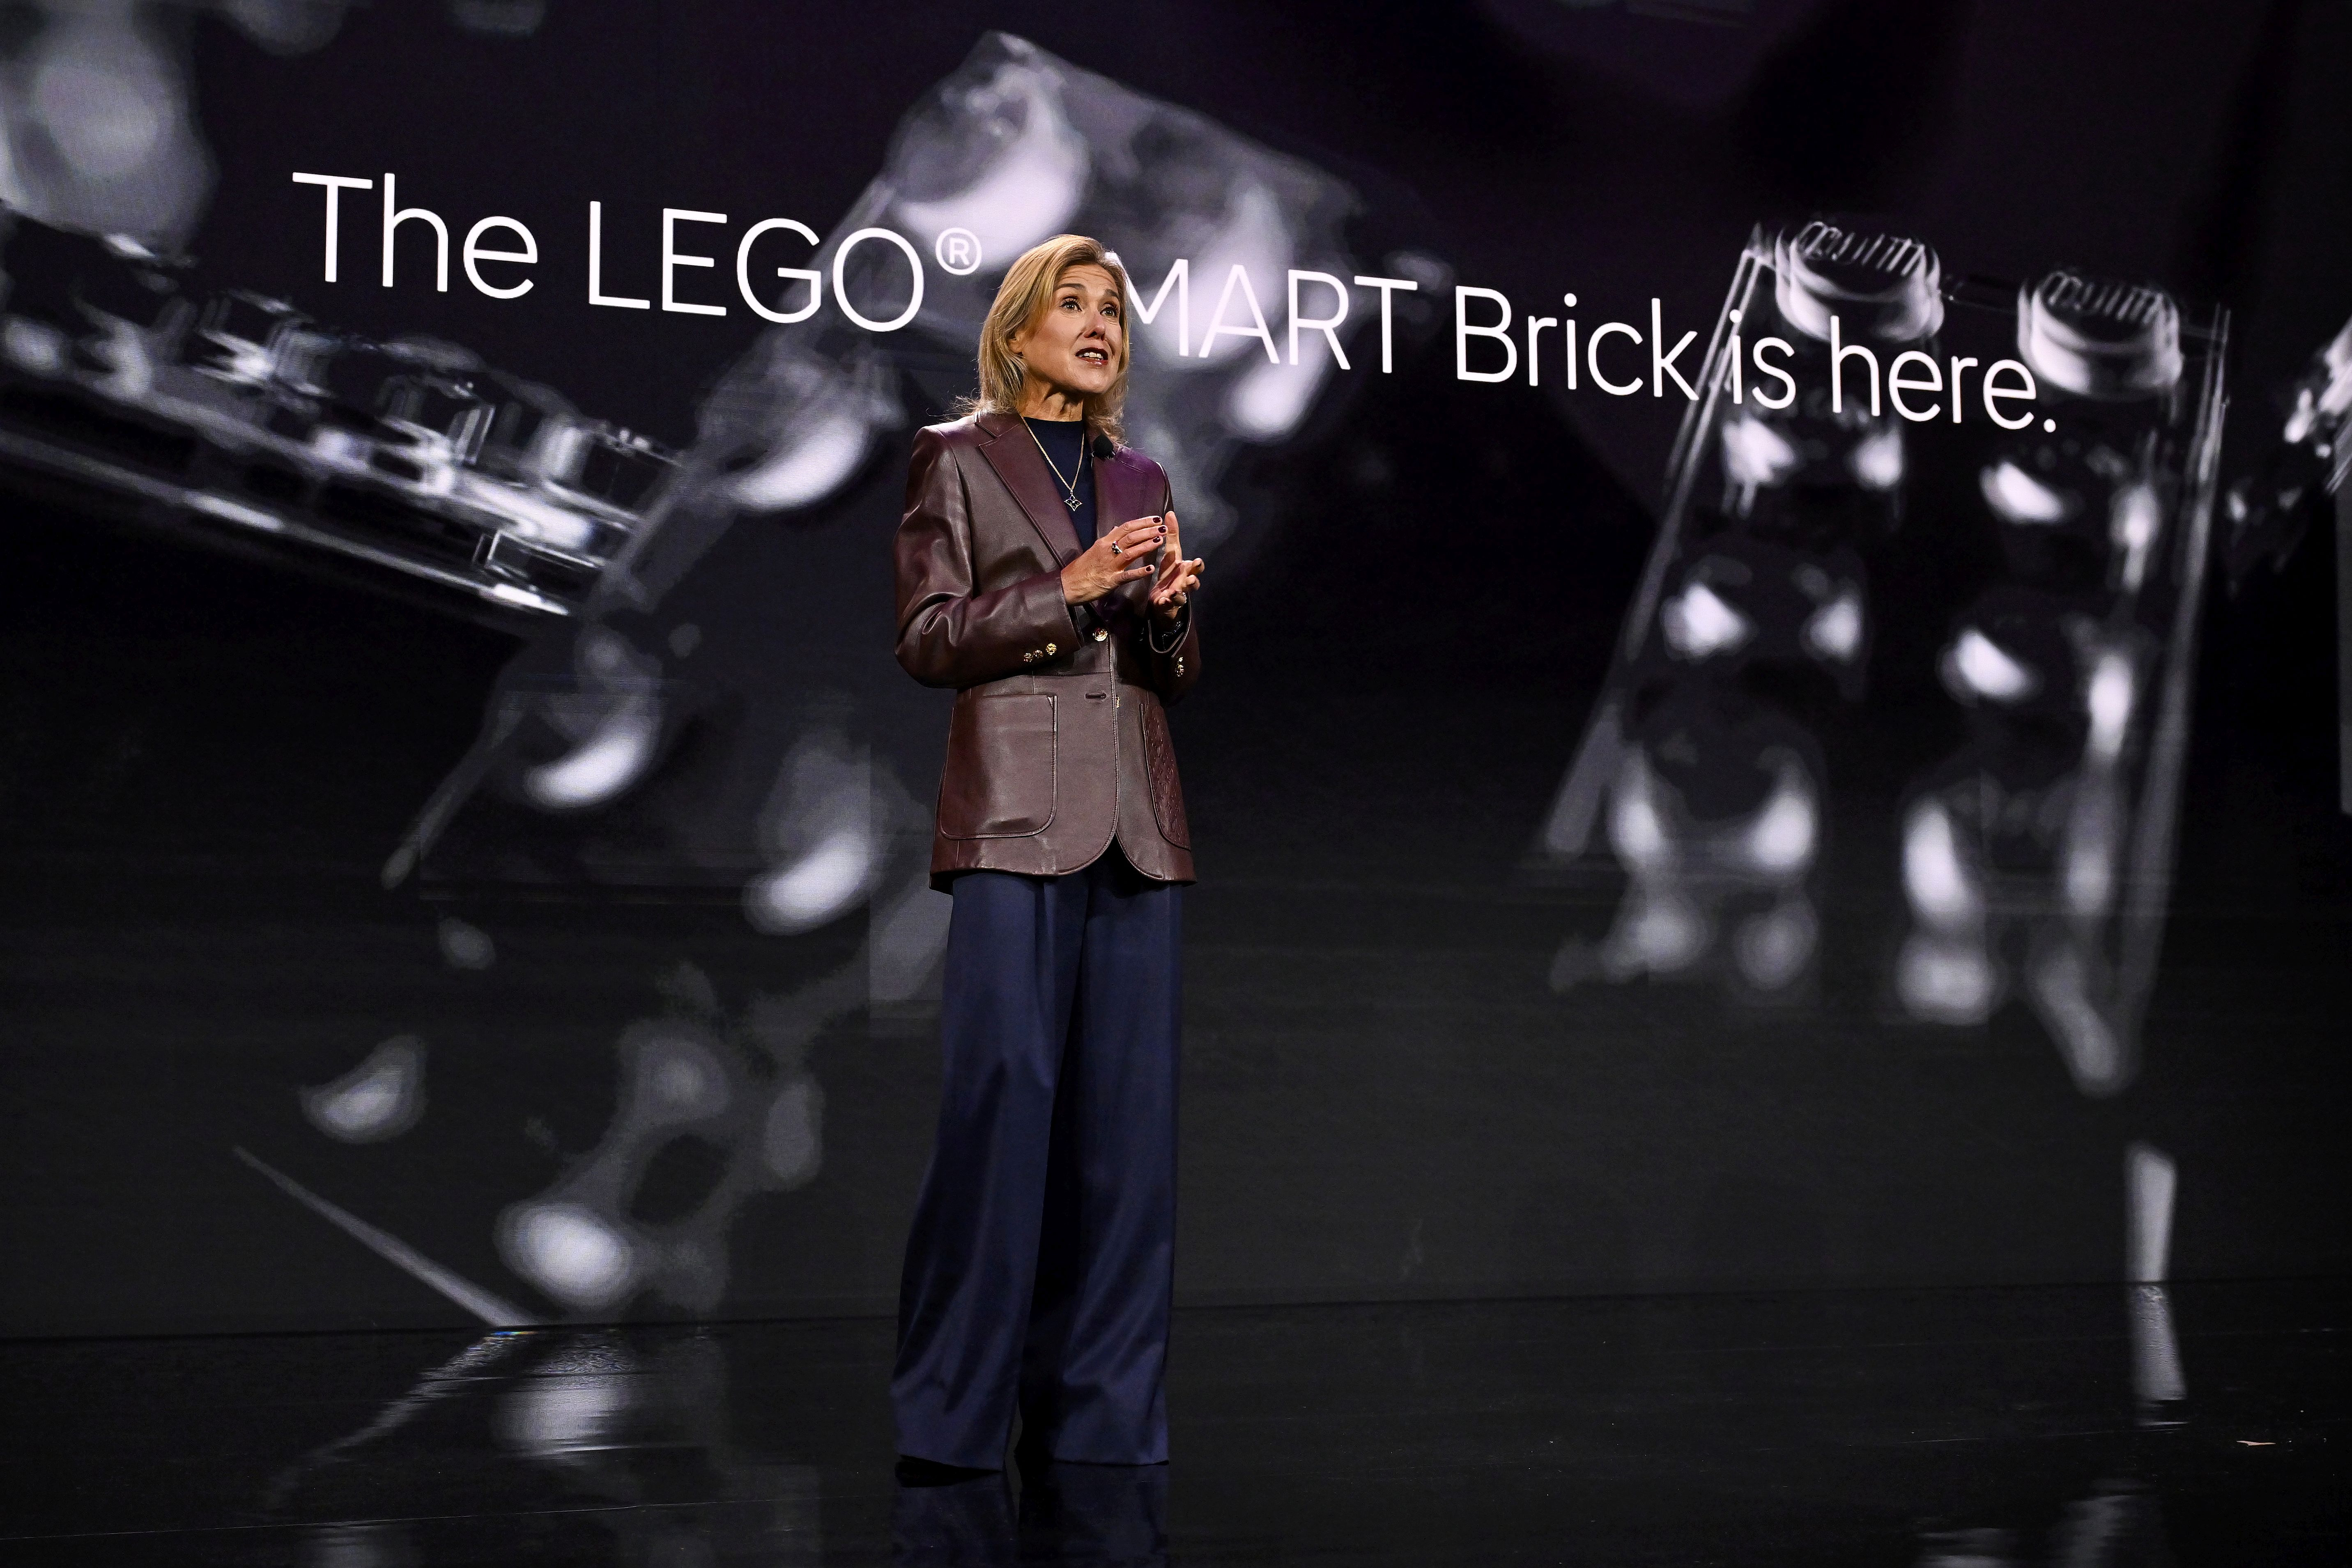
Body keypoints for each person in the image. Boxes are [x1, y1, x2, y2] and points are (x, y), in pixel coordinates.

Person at [888, 234, 1207, 1475]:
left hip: (1139, 822)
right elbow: (929, 637)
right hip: (1016, 817)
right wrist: (1066, 592)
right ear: (1017, 333)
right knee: (1001, 1117)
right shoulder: (955, 457)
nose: (1098, 325)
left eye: (1112, 309)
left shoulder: (1144, 474)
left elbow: (1169, 674)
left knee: (1128, 1149)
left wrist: (1169, 620)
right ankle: (954, 1420)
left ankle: (1105, 1419)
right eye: (1071, 304)